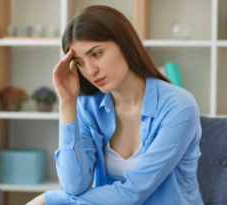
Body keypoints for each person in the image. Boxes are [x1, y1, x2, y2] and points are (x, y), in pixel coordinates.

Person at [27, 5, 204, 205]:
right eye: (79, 63)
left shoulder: (179, 107)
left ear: (124, 43)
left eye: (96, 54)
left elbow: (132, 193)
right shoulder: (88, 107)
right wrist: (67, 103)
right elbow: (73, 185)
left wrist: (49, 199)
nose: (91, 71)